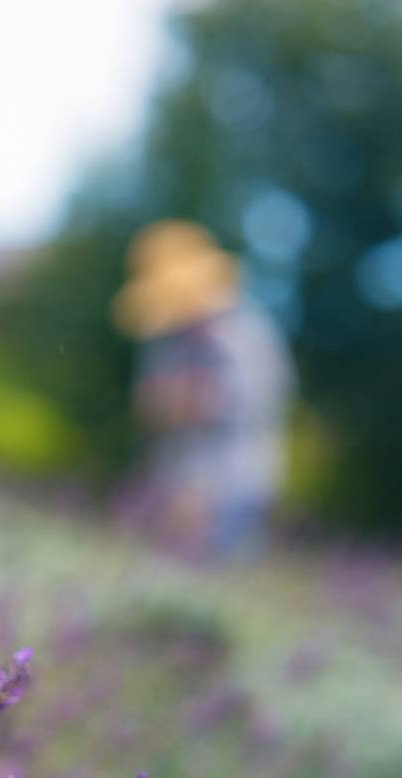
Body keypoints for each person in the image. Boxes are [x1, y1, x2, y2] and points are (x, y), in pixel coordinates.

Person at [112, 221, 293, 560]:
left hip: (235, 482)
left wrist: (187, 402)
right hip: (174, 480)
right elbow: (149, 407)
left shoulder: (245, 337)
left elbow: (252, 406)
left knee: (225, 570)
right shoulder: (165, 342)